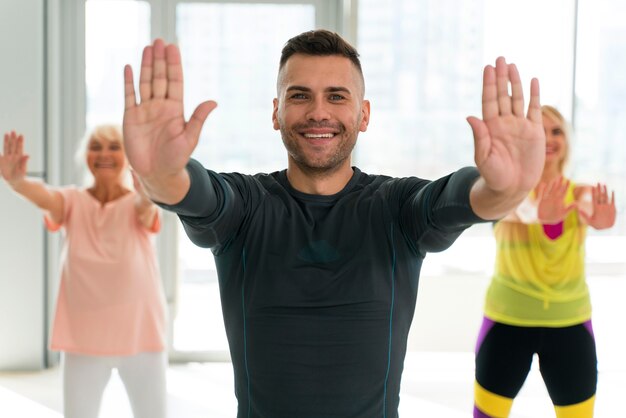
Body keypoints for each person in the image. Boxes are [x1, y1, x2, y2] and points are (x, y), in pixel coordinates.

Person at [122, 29, 545, 417]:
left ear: (363, 115)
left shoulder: (397, 207)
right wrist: (161, 174)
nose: (318, 112)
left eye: (337, 96)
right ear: (277, 112)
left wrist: (505, 189)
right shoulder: (246, 207)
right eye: (300, 96)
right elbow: (196, 195)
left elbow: (458, 200)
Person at [0, 125, 168, 418]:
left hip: (140, 334)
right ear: (85, 156)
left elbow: (146, 208)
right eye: (96, 146)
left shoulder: (138, 203)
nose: (104, 153)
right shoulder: (72, 201)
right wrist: (17, 182)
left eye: (114, 146)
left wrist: (149, 189)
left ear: (128, 156)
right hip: (82, 337)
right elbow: (45, 196)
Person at [473, 105, 616, 418]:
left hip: (569, 322)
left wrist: (603, 222)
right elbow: (518, 212)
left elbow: (596, 213)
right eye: (541, 132)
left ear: (567, 140)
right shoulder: (504, 192)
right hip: (507, 320)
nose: (550, 139)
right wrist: (543, 217)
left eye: (557, 131)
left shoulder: (582, 195)